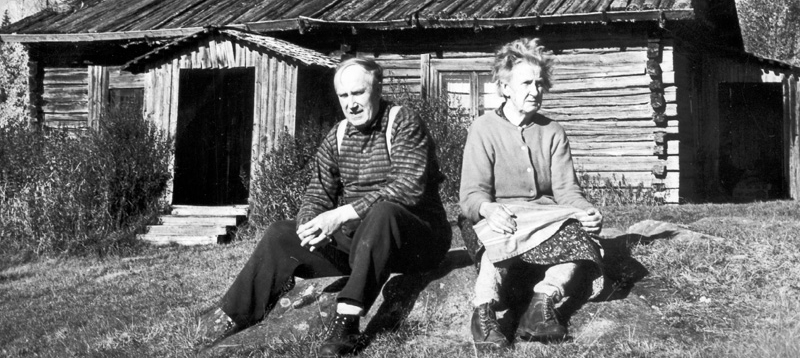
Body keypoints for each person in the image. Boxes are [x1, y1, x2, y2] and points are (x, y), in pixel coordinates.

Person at [198, 57, 452, 357]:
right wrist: (311, 226)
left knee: (383, 211)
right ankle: (233, 316)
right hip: (364, 245)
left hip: (417, 240)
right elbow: (317, 193)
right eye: (343, 96)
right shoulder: (338, 135)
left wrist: (341, 214)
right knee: (281, 234)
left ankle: (347, 322)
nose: (351, 104)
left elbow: (408, 188)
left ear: (378, 88)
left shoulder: (403, 122)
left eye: (358, 93)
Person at [459, 38, 604, 350]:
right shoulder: (483, 128)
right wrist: (488, 209)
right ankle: (483, 313)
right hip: (497, 215)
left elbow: (567, 190)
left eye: (539, 84)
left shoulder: (553, 131)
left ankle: (540, 307)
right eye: (526, 83)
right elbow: (471, 194)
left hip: (542, 216)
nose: (535, 91)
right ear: (505, 87)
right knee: (500, 234)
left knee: (578, 232)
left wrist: (585, 211)